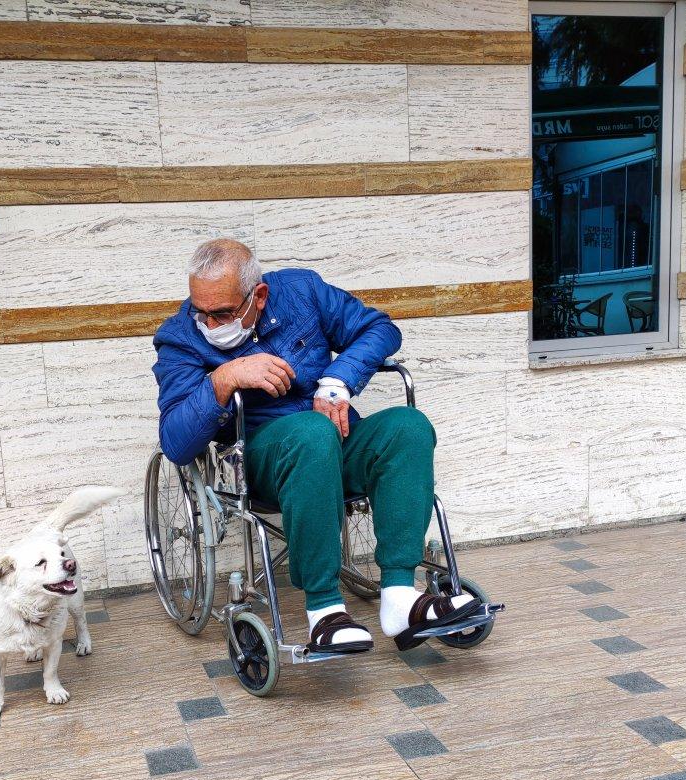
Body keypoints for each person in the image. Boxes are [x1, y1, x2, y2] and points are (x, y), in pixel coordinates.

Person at [153, 239, 481, 654]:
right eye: (201, 311)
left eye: (222, 313)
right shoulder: (180, 338)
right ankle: (324, 610)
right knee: (310, 433)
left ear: (259, 296)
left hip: (335, 438)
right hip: (261, 461)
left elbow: (380, 328)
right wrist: (224, 379)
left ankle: (399, 595)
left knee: (408, 427)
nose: (210, 325)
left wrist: (337, 380)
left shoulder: (302, 292)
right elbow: (177, 443)